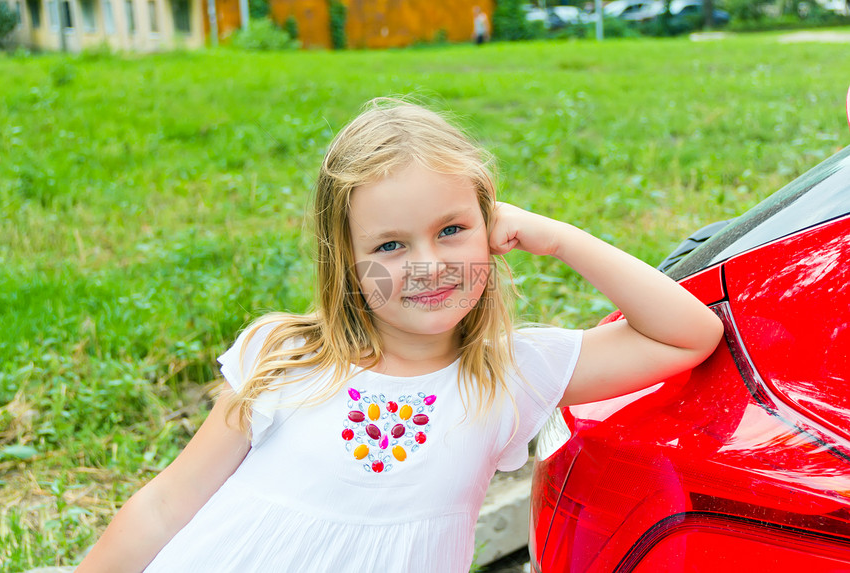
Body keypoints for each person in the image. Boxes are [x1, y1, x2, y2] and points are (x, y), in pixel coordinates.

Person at [75, 99, 723, 573]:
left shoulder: (507, 373)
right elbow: (165, 506)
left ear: (491, 224)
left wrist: (551, 236)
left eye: (451, 229)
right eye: (390, 244)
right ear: (346, 259)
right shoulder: (287, 356)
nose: (429, 265)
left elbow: (687, 334)